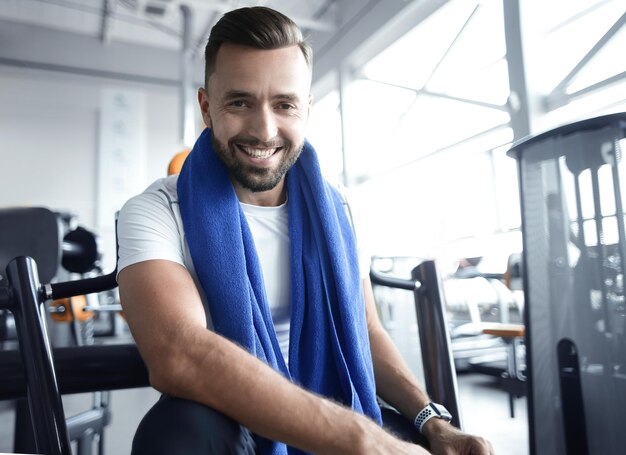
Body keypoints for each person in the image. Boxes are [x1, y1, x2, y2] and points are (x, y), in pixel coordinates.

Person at [117, 6, 494, 455]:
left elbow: (367, 331)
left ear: (306, 109)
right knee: (177, 433)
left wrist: (430, 421)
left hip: (336, 399)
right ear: (207, 107)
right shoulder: (155, 210)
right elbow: (178, 354)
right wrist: (361, 440)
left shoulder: (339, 212)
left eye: (284, 104)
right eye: (239, 102)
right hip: (228, 421)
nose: (263, 129)